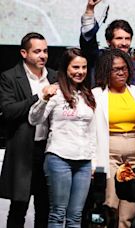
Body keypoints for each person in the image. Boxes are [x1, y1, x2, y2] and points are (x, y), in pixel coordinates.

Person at [28, 48, 97, 227]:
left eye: (84, 67)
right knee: (58, 214)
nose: (80, 71)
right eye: (75, 67)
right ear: (65, 68)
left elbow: (92, 131)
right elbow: (34, 119)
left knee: (75, 217)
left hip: (84, 162)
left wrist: (93, 162)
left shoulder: (88, 95)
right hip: (59, 158)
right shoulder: (55, 92)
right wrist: (43, 98)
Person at [91, 48, 135, 228]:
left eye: (124, 68)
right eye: (115, 69)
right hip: (109, 154)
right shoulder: (96, 95)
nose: (121, 72)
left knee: (128, 213)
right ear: (106, 72)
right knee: (109, 206)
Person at [0, 32, 58, 228]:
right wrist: (39, 96)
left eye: (45, 51)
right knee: (19, 206)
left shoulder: (54, 76)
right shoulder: (10, 76)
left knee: (45, 206)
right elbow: (8, 111)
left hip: (49, 150)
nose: (43, 55)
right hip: (23, 149)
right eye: (37, 51)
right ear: (24, 53)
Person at [80, 0, 135, 87]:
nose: (124, 43)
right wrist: (89, 10)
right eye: (119, 38)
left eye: (127, 39)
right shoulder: (97, 59)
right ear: (108, 41)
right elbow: (88, 41)